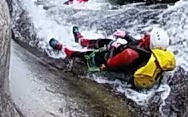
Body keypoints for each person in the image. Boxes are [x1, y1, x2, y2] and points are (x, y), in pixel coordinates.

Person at [48, 26, 177, 89]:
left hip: (110, 57)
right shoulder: (148, 48)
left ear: (149, 41)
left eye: (149, 34)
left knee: (84, 56)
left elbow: (108, 64)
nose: (147, 33)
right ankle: (81, 40)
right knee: (102, 41)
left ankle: (64, 49)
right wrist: (126, 36)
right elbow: (136, 45)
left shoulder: (130, 54)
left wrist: (103, 64)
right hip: (119, 50)